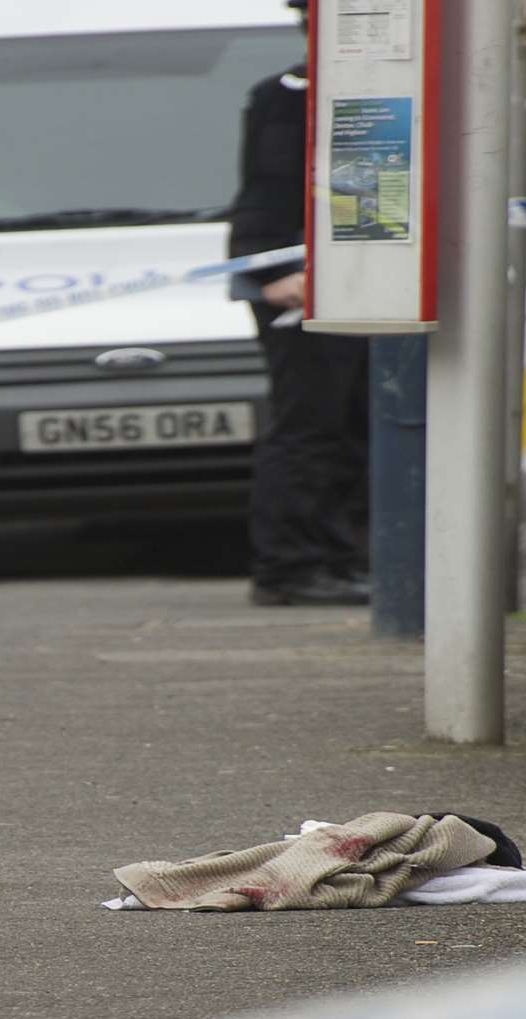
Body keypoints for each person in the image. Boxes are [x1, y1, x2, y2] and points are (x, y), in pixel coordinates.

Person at [228, 0, 370, 607]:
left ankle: (343, 557)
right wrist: (280, 268)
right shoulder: (289, 94)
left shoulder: (374, 98)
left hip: (358, 275)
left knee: (355, 424)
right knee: (310, 428)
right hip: (298, 285)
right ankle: (290, 567)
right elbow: (268, 190)